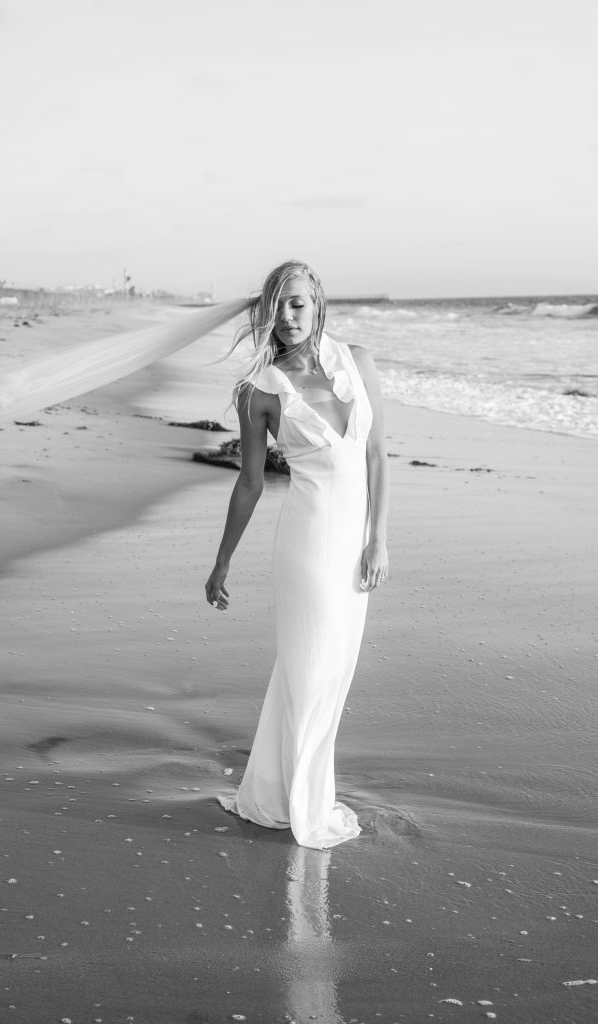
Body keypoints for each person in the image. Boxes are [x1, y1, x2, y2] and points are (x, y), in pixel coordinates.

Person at [205, 260, 389, 850]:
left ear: (318, 304)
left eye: (298, 305)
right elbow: (251, 484)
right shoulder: (260, 391)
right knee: (309, 670)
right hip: (307, 545)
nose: (287, 319)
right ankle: (304, 805)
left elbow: (378, 456)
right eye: (277, 306)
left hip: (355, 547)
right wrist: (223, 561)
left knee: (334, 671)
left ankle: (278, 788)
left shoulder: (358, 360)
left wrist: (378, 537)